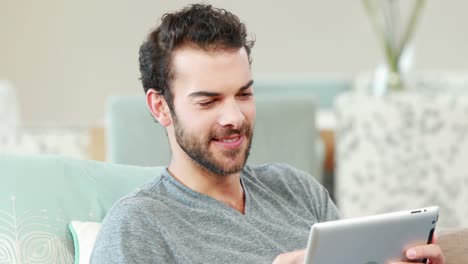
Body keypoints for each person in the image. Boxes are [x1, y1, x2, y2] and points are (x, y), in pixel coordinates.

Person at [91, 4, 445, 264]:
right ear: (160, 107)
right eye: (209, 101)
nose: (234, 117)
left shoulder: (297, 190)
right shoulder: (138, 225)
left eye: (244, 94)